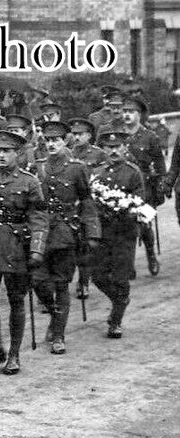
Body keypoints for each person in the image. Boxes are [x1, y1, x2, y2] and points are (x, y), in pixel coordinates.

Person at [0, 131, 48, 376]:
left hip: (17, 246)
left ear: (18, 153)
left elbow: (39, 218)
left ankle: (14, 353)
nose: (2, 155)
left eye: (7, 151)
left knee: (17, 298)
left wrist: (37, 249)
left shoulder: (29, 182)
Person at [30, 121, 101, 355]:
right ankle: (53, 315)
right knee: (38, 281)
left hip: (65, 233)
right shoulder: (37, 168)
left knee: (61, 284)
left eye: (56, 140)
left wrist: (92, 232)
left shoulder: (76, 168)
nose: (51, 144)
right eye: (47, 140)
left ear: (64, 141)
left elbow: (87, 202)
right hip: (40, 233)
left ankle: (59, 335)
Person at [90, 130, 146, 338]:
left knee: (121, 278)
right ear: (103, 150)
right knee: (97, 276)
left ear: (125, 148)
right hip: (103, 233)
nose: (113, 151)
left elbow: (140, 202)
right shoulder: (97, 173)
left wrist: (123, 208)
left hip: (124, 232)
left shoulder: (133, 172)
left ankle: (116, 321)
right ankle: (120, 300)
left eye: (117, 147)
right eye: (109, 147)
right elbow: (91, 202)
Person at [120, 96, 166, 275]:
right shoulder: (118, 136)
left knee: (145, 226)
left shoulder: (150, 137)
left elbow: (160, 163)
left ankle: (151, 256)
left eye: (131, 112)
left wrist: (161, 185)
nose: (126, 115)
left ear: (139, 115)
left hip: (146, 188)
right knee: (126, 228)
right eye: (125, 112)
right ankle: (128, 264)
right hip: (123, 188)